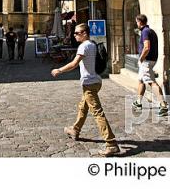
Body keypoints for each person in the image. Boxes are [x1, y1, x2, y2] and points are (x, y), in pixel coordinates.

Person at [51, 23, 120, 157]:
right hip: (95, 81)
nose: (74, 35)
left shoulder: (84, 46)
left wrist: (59, 70)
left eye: (77, 33)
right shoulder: (92, 44)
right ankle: (75, 129)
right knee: (83, 107)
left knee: (98, 113)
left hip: (89, 83)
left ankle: (111, 143)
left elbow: (74, 63)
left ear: (84, 34)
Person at [132, 14, 168, 116]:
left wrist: (141, 58)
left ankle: (163, 104)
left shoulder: (145, 31)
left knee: (151, 82)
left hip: (146, 60)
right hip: (150, 60)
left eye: (137, 22)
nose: (136, 24)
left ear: (139, 22)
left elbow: (146, 47)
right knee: (141, 80)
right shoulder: (150, 31)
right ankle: (138, 102)